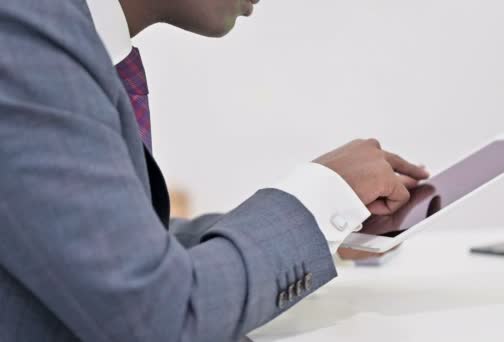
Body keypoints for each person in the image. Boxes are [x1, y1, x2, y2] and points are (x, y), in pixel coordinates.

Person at [0, 0, 429, 341]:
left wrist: (321, 233)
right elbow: (158, 315)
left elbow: (96, 250)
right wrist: (318, 203)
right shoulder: (21, 30)